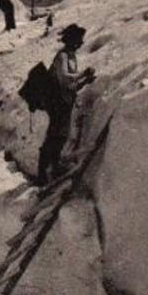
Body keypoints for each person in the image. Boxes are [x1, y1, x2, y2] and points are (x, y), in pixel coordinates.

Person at [37, 23, 96, 186]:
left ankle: (52, 167)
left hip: (64, 101)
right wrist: (83, 74)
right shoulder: (62, 56)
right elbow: (64, 78)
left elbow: (70, 85)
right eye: (79, 40)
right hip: (56, 101)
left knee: (61, 135)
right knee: (55, 135)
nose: (81, 43)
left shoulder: (71, 56)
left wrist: (84, 81)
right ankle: (42, 172)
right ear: (71, 40)